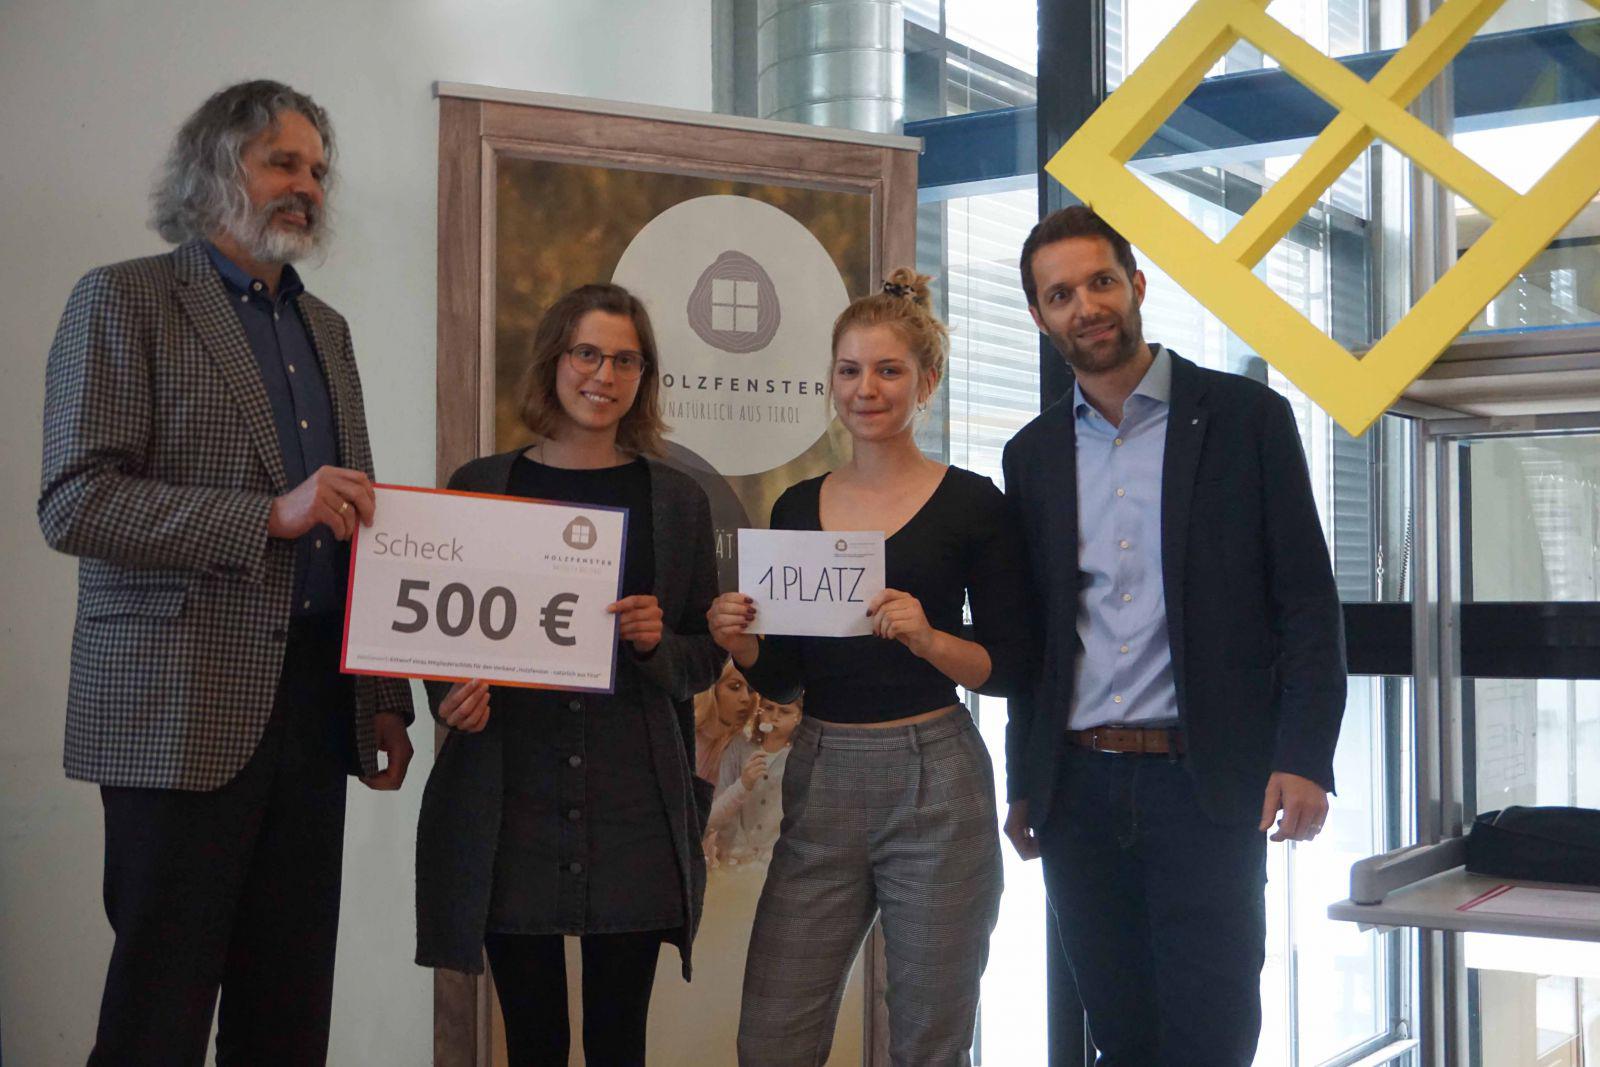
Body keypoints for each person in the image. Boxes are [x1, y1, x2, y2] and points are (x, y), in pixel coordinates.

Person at [36, 80, 414, 1065]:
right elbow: (74, 499)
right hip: (178, 708)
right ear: (214, 170)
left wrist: (382, 693)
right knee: (156, 1018)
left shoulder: (327, 328)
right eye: (283, 162)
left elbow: (357, 517)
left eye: (318, 170)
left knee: (287, 1017)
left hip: (314, 702)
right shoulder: (123, 298)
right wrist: (266, 515)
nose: (308, 187)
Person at [1001, 205, 1347, 1066]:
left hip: (1207, 783)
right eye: (1060, 294)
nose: (1086, 306)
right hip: (1078, 790)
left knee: (1212, 1032)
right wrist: (1026, 780)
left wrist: (1305, 754)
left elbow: (1307, 601)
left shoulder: (1247, 419)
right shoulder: (1031, 454)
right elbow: (1037, 638)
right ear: (1039, 317)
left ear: (1137, 285)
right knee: (1120, 1034)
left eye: (1101, 282)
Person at [708, 269, 1033, 1067]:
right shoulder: (795, 507)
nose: (867, 389)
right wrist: (742, 643)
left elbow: (1009, 665)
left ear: (928, 380)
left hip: (936, 778)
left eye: (889, 370)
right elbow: (787, 677)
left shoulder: (975, 504)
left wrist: (929, 637)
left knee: (929, 1040)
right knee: (771, 1038)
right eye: (850, 370)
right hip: (821, 771)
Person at [414, 283, 722, 1067]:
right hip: (507, 794)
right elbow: (436, 640)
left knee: (620, 1042)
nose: (604, 375)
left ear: (644, 376)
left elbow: (702, 657)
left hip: (633, 798)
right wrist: (450, 701)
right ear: (555, 359)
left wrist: (656, 644)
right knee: (535, 1043)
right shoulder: (480, 484)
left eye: (626, 360)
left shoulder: (678, 500)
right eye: (588, 353)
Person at [705, 695, 803, 867]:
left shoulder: (802, 757)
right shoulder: (739, 745)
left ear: (799, 717)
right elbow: (712, 818)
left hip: (775, 864)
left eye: (785, 711)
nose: (774, 716)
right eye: (768, 708)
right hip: (731, 860)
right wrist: (744, 784)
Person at [695, 656, 758, 781]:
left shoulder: (740, 742)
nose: (746, 698)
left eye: (751, 690)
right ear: (713, 689)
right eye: (735, 687)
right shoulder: (684, 733)